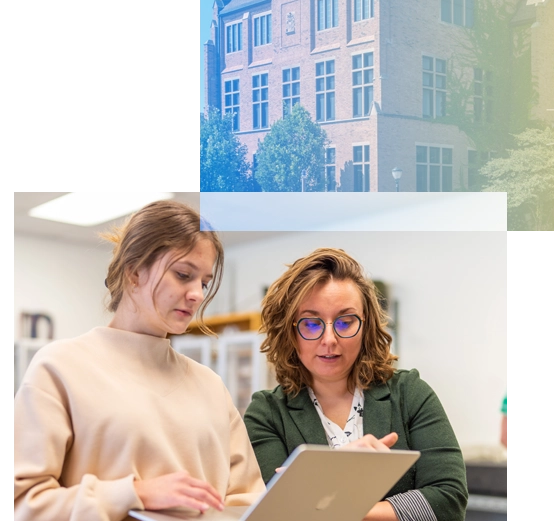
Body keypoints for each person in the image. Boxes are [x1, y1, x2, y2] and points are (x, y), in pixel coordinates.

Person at [14, 200, 265, 521]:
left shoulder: (211, 386)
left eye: (203, 282)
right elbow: (23, 504)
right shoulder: (59, 367)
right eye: (183, 274)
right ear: (134, 273)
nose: (198, 295)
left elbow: (248, 501)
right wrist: (133, 493)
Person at [244, 248, 468, 522]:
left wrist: (323, 498)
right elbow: (275, 516)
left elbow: (449, 499)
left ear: (367, 326)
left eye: (346, 321)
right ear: (290, 332)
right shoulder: (267, 413)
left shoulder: (410, 393)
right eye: (312, 324)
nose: (329, 339)